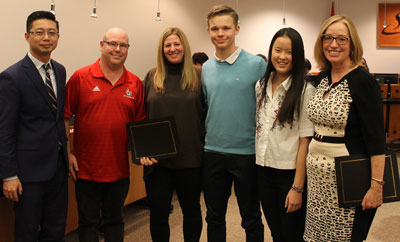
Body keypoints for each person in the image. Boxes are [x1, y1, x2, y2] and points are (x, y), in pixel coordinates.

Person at [304, 15, 385, 242]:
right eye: (328, 38)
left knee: (345, 236)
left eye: (341, 39)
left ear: (352, 44)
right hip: (318, 178)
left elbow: (377, 139)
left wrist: (376, 186)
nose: (334, 44)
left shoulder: (363, 81)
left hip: (349, 178)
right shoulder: (322, 78)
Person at [64, 27, 146, 242]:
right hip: (85, 170)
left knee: (115, 222)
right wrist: (68, 152)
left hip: (119, 170)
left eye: (123, 45)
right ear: (102, 45)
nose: (117, 49)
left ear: (128, 49)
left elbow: (140, 125)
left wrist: (145, 152)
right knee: (88, 223)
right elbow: (64, 117)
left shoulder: (135, 83)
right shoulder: (80, 77)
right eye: (112, 43)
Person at [0, 11, 69, 241]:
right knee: (27, 232)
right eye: (39, 32)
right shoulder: (12, 77)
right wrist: (9, 175)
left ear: (58, 37)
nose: (46, 38)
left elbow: (57, 119)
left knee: (56, 228)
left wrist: (67, 155)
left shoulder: (59, 70)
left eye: (51, 33)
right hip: (28, 173)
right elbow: (5, 130)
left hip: (58, 168)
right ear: (27, 36)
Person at [201, 5, 266, 242]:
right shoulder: (206, 68)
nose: (221, 33)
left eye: (226, 28)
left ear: (237, 29)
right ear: (208, 31)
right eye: (215, 28)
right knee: (214, 217)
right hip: (213, 152)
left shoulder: (257, 65)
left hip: (247, 153)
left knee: (250, 217)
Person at [141, 27, 204, 242]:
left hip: (190, 159)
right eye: (168, 45)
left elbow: (207, 114)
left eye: (176, 44)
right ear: (162, 49)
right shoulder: (152, 76)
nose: (172, 48)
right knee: (158, 215)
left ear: (184, 47)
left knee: (192, 213)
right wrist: (142, 150)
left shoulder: (198, 76)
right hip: (158, 162)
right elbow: (143, 116)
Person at [256, 28, 314, 242]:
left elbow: (304, 142)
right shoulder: (261, 85)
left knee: (292, 234)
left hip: (289, 174)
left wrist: (297, 187)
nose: (282, 56)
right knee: (276, 232)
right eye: (277, 50)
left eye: (288, 52)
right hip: (263, 170)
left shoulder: (305, 91)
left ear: (297, 55)